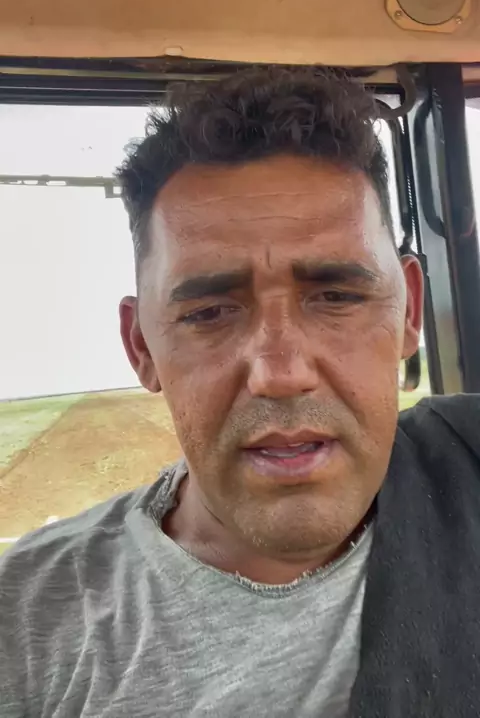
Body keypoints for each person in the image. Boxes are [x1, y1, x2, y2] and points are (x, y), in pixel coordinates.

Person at [1, 68, 480, 718]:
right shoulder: (27, 622)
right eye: (208, 313)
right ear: (141, 347)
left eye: (337, 297)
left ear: (409, 311)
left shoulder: (467, 462)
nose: (280, 374)